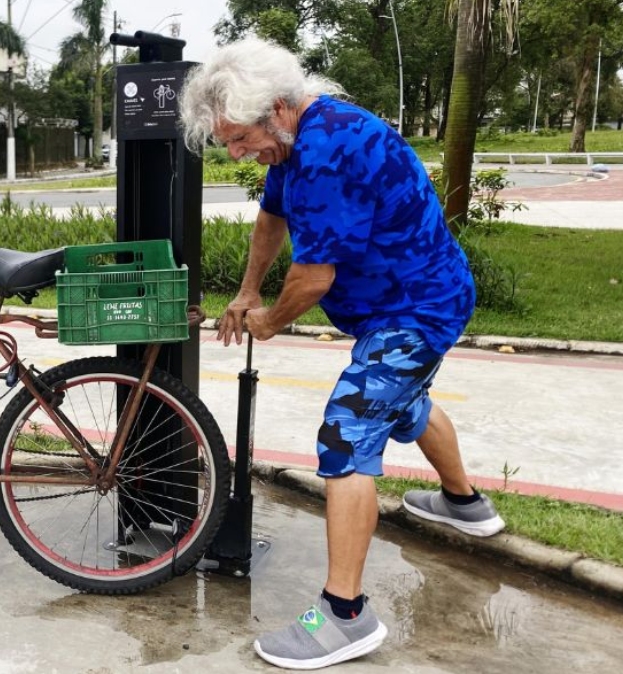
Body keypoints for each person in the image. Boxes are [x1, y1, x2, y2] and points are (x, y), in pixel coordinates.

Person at [179, 38, 506, 670]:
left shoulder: (330, 149)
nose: (239, 154)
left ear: (277, 108)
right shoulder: (294, 143)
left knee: (348, 430)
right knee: (401, 407)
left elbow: (313, 279)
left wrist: (269, 320)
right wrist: (247, 289)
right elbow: (271, 218)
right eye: (228, 144)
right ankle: (466, 505)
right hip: (397, 306)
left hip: (418, 309)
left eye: (241, 139)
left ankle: (345, 615)